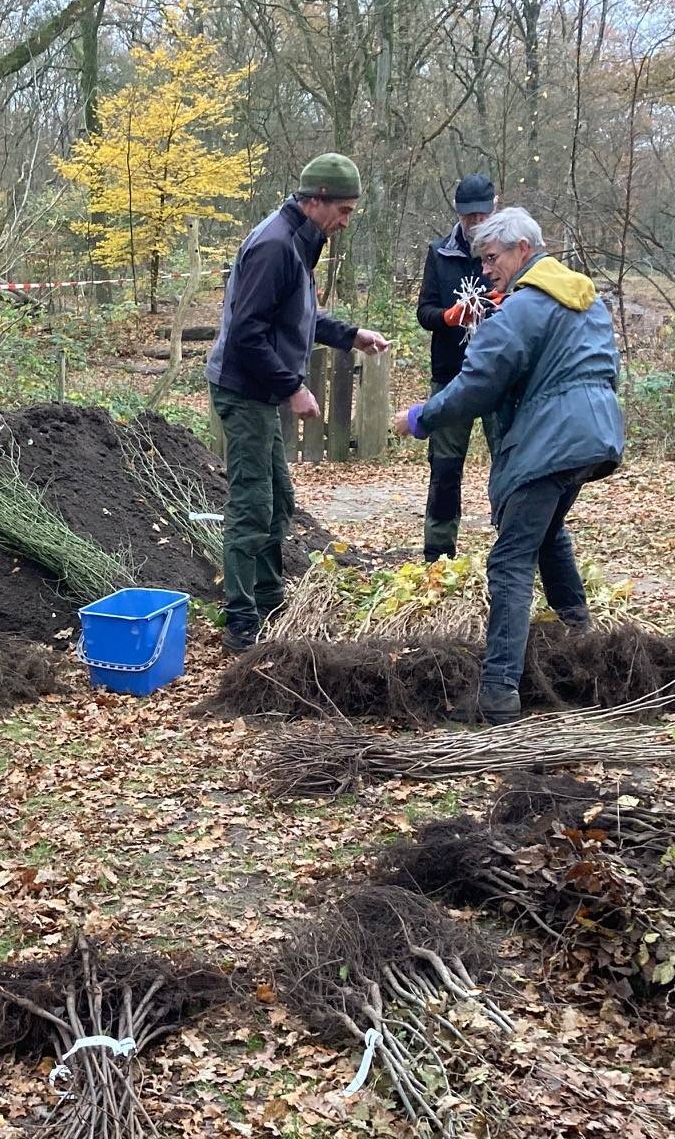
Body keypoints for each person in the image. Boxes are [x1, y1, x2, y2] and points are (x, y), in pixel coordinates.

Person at [391, 208, 621, 723]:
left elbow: (477, 384)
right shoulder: (585, 298)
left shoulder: (523, 307)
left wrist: (420, 417)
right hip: (595, 435)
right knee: (546, 535)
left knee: (510, 560)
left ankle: (497, 692)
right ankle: (582, 643)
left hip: (552, 442)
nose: (485, 270)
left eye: (492, 258)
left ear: (522, 249)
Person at [205, 153, 391, 652]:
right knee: (252, 505)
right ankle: (242, 622)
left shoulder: (300, 242)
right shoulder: (274, 246)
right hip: (244, 392)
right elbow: (247, 333)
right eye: (344, 211)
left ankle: (268, 602)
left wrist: (351, 335)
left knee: (280, 501)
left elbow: (298, 315)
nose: (346, 223)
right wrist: (293, 387)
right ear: (315, 201)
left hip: (262, 392)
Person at [414, 173, 500, 560]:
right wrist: (449, 316)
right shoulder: (440, 253)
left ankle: (512, 547)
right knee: (446, 469)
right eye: (469, 217)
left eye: (482, 214)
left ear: (494, 208)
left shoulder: (510, 251)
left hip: (501, 377)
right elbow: (424, 312)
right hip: (450, 375)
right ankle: (438, 555)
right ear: (458, 213)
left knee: (510, 463)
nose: (476, 224)